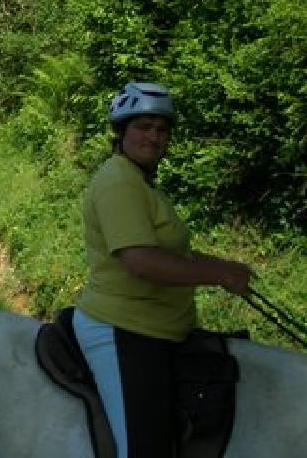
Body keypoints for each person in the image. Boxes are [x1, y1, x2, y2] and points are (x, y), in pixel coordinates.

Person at [73, 82, 252, 458]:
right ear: (121, 131)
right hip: (125, 331)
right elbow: (140, 260)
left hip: (158, 329)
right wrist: (220, 275)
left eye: (162, 129)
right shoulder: (118, 182)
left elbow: (171, 252)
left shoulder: (140, 183)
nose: (154, 137)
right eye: (143, 126)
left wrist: (222, 265)